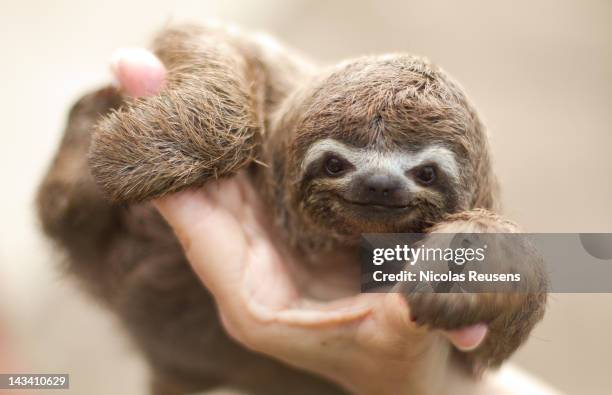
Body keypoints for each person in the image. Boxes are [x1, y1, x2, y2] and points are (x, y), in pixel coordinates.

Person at [106, 48, 560, 395]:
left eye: (424, 174)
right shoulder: (268, 102)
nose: (381, 183)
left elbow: (530, 298)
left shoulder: (410, 258)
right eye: (336, 166)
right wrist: (209, 123)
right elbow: (214, 38)